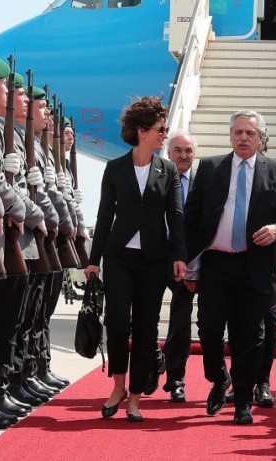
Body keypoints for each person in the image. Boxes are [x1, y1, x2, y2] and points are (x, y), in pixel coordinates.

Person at [183, 109, 276, 425]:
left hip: (255, 265)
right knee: (209, 328)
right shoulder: (210, 167)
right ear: (230, 136)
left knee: (249, 337)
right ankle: (219, 377)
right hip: (217, 263)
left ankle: (243, 402)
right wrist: (187, 260)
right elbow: (191, 217)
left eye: (250, 133)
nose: (243, 138)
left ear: (261, 138)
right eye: (238, 132)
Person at [84, 96, 187, 422]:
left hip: (154, 260)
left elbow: (176, 215)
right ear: (142, 131)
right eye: (160, 129)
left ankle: (135, 398)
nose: (164, 135)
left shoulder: (167, 170)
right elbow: (104, 216)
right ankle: (118, 386)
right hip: (119, 257)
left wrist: (179, 255)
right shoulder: (115, 168)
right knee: (116, 322)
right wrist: (93, 259)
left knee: (146, 327)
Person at [160, 131, 197, 404]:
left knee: (181, 323)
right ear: (168, 152)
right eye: (178, 150)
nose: (183, 156)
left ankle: (176, 380)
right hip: (156, 258)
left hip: (190, 262)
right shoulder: (156, 177)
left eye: (188, 151)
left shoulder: (204, 183)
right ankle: (150, 368)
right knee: (145, 320)